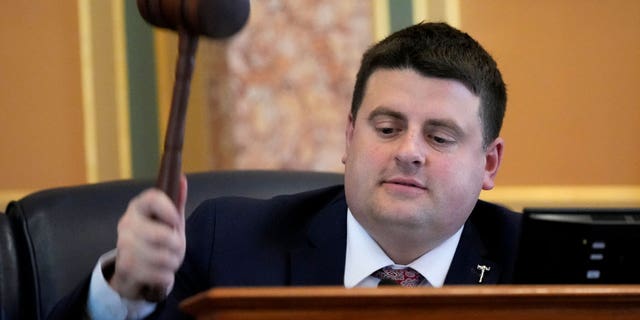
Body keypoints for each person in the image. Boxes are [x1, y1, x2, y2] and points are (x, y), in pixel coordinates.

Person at [49, 22, 519, 319]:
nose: (409, 152)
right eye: (388, 127)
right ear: (350, 137)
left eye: (439, 137)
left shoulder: (535, 263)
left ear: (489, 162)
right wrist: (121, 291)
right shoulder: (228, 243)